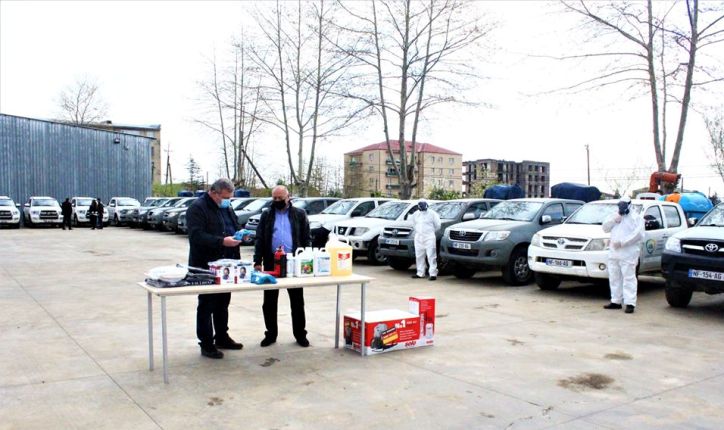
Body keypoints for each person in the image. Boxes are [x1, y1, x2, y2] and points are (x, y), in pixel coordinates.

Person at [187, 178, 243, 359]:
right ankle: (206, 343)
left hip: (227, 264)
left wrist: (240, 235)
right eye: (225, 197)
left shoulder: (226, 207)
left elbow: (233, 225)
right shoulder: (198, 208)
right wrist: (222, 241)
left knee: (223, 302)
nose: (227, 201)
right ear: (213, 192)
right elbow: (196, 236)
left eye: (230, 198)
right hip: (206, 265)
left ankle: (222, 336)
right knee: (207, 304)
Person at [254, 185, 311, 348]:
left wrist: (306, 258)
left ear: (288, 197)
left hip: (293, 262)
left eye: (280, 198)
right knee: (269, 302)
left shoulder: (299, 214)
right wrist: (257, 261)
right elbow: (260, 238)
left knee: (297, 301)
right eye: (274, 198)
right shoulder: (266, 214)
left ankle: (300, 334)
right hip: (271, 261)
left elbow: (306, 237)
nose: (277, 200)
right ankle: (270, 334)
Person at [602, 197, 645, 314]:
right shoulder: (615, 215)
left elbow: (638, 234)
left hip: (628, 253)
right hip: (614, 252)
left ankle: (630, 303)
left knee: (628, 277)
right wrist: (613, 220)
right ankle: (615, 301)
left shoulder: (636, 218)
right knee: (614, 277)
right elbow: (605, 228)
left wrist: (622, 242)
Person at [410, 199, 441, 281]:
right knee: (419, 256)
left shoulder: (432, 214)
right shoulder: (415, 214)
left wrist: (430, 232)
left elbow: (438, 225)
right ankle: (420, 273)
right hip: (418, 237)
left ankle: (433, 274)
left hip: (429, 237)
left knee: (431, 256)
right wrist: (419, 232)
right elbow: (413, 225)